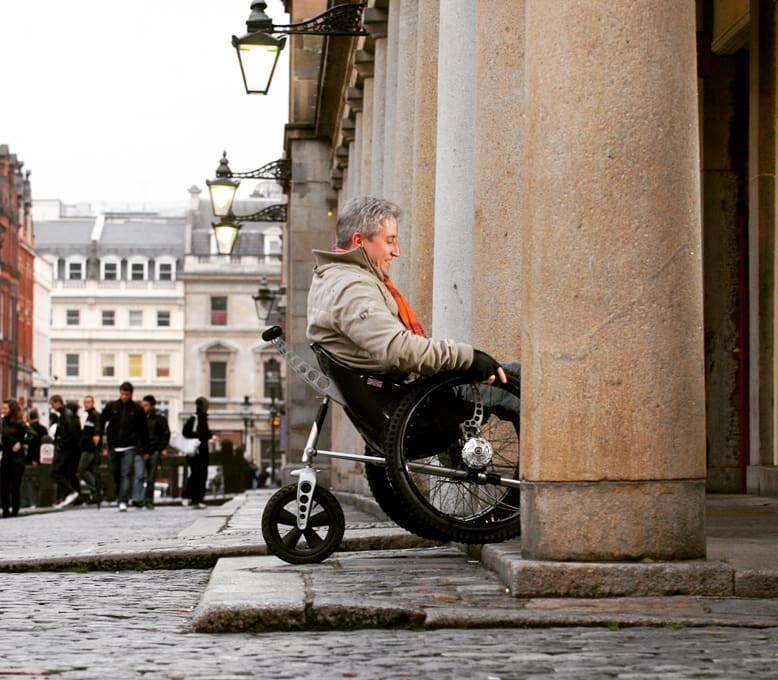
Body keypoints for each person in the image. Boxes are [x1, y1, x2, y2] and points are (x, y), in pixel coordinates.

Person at [306, 195, 508, 383]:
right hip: (417, 396)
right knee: (520, 379)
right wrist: (467, 357)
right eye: (389, 240)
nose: (397, 251)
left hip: (404, 392)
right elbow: (397, 348)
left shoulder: (331, 277)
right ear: (359, 241)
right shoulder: (351, 287)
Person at [100, 382, 150, 512]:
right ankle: (120, 496)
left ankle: (123, 500)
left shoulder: (137, 409)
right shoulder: (112, 406)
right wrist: (98, 437)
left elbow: (143, 430)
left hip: (129, 446)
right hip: (113, 446)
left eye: (126, 394)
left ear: (131, 394)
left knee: (126, 474)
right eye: (122, 394)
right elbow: (101, 421)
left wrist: (146, 449)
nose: (124, 397)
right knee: (115, 474)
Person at [133, 395, 170, 509]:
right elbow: (136, 436)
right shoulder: (138, 419)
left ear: (152, 406)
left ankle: (148, 500)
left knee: (151, 477)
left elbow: (165, 434)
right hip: (141, 451)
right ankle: (138, 498)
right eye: (142, 405)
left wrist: (160, 448)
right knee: (139, 475)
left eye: (146, 405)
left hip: (154, 450)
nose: (143, 407)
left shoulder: (160, 419)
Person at [48, 395, 82, 508]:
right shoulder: (67, 415)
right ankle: (75, 496)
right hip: (71, 448)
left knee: (56, 471)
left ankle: (70, 492)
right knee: (69, 472)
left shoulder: (66, 415)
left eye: (52, 404)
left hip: (67, 448)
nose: (52, 407)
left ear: (58, 402)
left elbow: (71, 433)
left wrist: (61, 442)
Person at [181, 397, 211, 509]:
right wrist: (200, 436)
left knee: (199, 475)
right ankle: (194, 498)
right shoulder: (196, 418)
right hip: (196, 452)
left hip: (200, 452)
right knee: (197, 475)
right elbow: (186, 432)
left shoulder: (202, 418)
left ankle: (196, 498)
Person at [1, 399, 28, 518]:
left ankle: (15, 509)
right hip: (6, 456)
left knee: (14, 485)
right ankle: (5, 509)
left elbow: (31, 434)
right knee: (3, 484)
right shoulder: (2, 422)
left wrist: (21, 443)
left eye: (5, 408)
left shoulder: (19, 422)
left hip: (17, 458)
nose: (3, 410)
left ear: (11, 410)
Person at [77, 395, 103, 503]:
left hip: (90, 449)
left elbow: (97, 428)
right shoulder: (89, 416)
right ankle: (95, 494)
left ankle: (97, 490)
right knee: (89, 470)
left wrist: (96, 436)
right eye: (85, 402)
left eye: (88, 402)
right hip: (88, 448)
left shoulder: (94, 415)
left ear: (93, 403)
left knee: (82, 470)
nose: (86, 404)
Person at [21, 407, 47, 508]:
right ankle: (39, 500)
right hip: (41, 457)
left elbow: (30, 445)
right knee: (40, 479)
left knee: (28, 478)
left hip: (31, 457)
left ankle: (29, 500)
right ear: (38, 417)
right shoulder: (43, 429)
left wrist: (32, 459)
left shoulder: (29, 429)